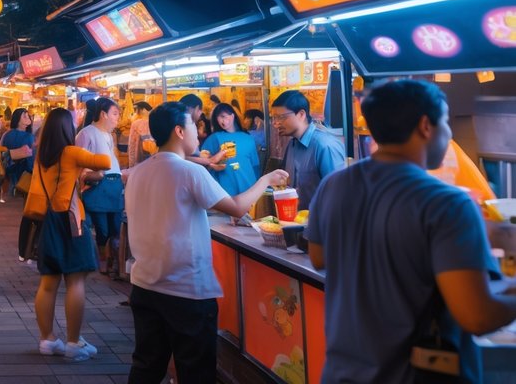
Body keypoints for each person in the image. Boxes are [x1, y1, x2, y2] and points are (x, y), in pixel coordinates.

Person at [307, 79, 516, 382]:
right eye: (445, 122)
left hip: (344, 372)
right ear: (425, 126)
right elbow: (476, 315)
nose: (448, 133)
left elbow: (319, 257)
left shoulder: (333, 186)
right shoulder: (447, 202)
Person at [126, 102, 288, 384]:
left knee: (146, 367)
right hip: (186, 292)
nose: (198, 133)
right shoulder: (189, 172)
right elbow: (237, 207)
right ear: (179, 131)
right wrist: (266, 179)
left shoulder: (139, 172)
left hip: (145, 286)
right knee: (196, 373)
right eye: (193, 126)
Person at [26, 107, 111, 361]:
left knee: (48, 282)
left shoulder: (42, 156)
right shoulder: (71, 153)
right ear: (67, 129)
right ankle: (74, 342)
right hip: (71, 221)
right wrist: (103, 134)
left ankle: (47, 339)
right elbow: (105, 162)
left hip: (48, 221)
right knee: (75, 281)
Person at [76, 97, 125, 279]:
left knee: (115, 227)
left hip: (114, 185)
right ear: (103, 114)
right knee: (102, 228)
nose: (117, 118)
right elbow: (79, 162)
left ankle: (113, 262)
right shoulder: (86, 133)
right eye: (115, 114)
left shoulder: (109, 136)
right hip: (98, 186)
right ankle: (103, 261)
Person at [272, 90, 345, 211]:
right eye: (273, 118)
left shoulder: (325, 145)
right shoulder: (292, 145)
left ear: (301, 114)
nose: (275, 123)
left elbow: (339, 195)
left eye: (280, 117)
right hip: (298, 224)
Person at [198, 104, 261, 196]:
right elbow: (202, 165)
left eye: (223, 116)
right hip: (225, 191)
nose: (221, 121)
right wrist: (213, 165)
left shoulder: (248, 138)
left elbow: (255, 166)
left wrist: (257, 188)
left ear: (232, 115)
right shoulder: (214, 138)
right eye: (218, 118)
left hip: (249, 187)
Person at [1, 108, 36, 203]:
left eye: (28, 115)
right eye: (24, 116)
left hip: (10, 171)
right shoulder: (29, 137)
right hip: (25, 173)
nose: (28, 117)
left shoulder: (7, 135)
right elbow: (32, 159)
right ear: (17, 120)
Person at [125, 102, 153, 168]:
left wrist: (131, 165)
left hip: (139, 158)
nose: (137, 111)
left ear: (143, 110)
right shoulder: (155, 122)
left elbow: (132, 144)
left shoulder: (136, 124)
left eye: (138, 109)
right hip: (153, 158)